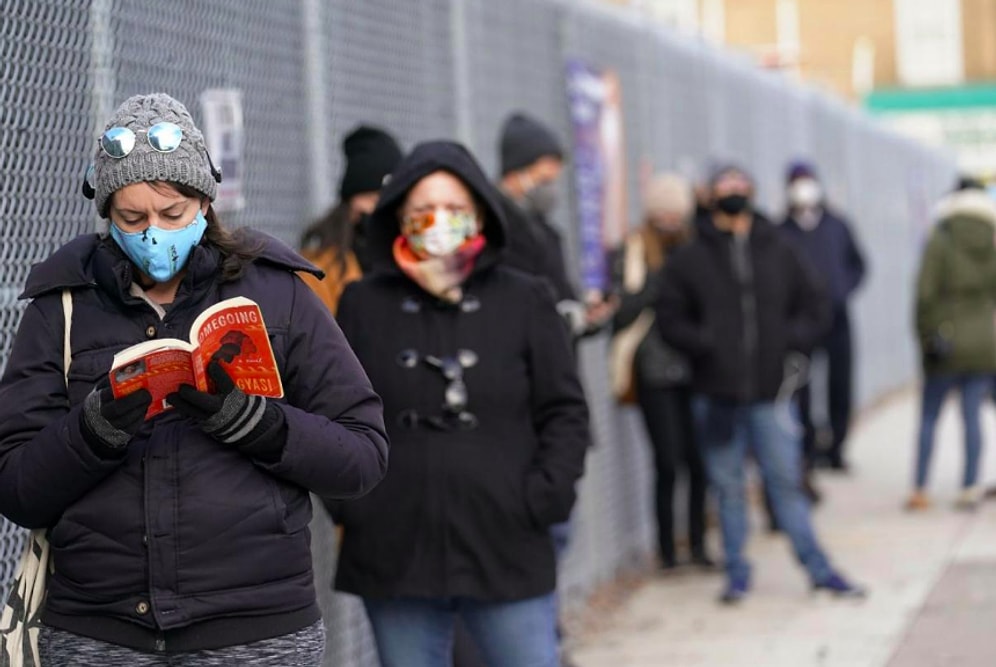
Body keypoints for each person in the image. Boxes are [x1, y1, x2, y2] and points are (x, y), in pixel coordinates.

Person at [0, 93, 389, 666]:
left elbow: (362, 455)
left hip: (256, 628)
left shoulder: (277, 293)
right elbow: (17, 487)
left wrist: (256, 423)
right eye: (132, 219)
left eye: (172, 213)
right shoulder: (59, 306)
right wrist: (94, 429)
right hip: (102, 630)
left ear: (205, 203)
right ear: (107, 215)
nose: (153, 234)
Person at [327, 140, 590, 667]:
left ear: (480, 215)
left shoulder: (525, 297)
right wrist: (357, 508)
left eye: (454, 210)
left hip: (508, 541)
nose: (439, 222)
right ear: (399, 218)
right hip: (395, 549)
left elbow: (564, 409)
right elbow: (332, 415)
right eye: (424, 211)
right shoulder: (362, 304)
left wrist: (543, 496)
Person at [656, 164, 865, 604]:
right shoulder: (692, 258)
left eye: (740, 185)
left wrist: (791, 344)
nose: (734, 193)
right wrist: (705, 344)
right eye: (725, 186)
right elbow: (670, 318)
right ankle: (737, 575)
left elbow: (815, 304)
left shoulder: (779, 250)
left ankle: (819, 570)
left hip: (771, 393)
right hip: (715, 395)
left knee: (785, 482)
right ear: (710, 195)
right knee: (728, 489)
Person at [610, 173, 712, 570]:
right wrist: (656, 286)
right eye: (662, 212)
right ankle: (668, 551)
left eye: (676, 212)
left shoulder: (695, 249)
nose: (669, 220)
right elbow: (620, 313)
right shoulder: (634, 251)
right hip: (653, 370)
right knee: (667, 462)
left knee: (698, 462)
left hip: (696, 368)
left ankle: (700, 544)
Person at [908, 178, 996, 512]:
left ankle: (920, 487)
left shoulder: (941, 237)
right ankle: (970, 485)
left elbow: (924, 294)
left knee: (930, 415)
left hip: (945, 340)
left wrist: (925, 336)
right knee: (972, 416)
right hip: (984, 344)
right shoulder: (991, 238)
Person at [780, 161, 867, 472]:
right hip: (801, 321)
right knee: (801, 386)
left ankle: (836, 447)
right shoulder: (782, 231)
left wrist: (843, 289)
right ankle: (807, 447)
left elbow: (858, 264)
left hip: (837, 316)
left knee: (840, 385)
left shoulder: (837, 224)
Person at [496, 111, 615, 338]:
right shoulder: (498, 229)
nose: (551, 189)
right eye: (544, 180)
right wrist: (562, 317)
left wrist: (586, 315)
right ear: (514, 172)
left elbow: (560, 296)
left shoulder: (545, 231)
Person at [299, 125, 403, 313]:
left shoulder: (410, 255)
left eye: (392, 201)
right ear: (351, 201)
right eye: (373, 199)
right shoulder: (322, 267)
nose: (382, 211)